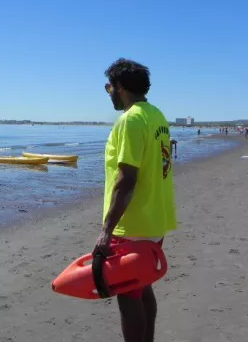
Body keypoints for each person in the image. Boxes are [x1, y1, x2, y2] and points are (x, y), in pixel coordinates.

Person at [93, 58, 176, 342]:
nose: (109, 94)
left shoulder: (130, 120)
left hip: (133, 224)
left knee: (128, 296)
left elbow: (126, 179)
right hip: (155, 221)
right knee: (143, 286)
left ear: (121, 87)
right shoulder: (157, 116)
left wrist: (106, 231)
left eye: (109, 88)